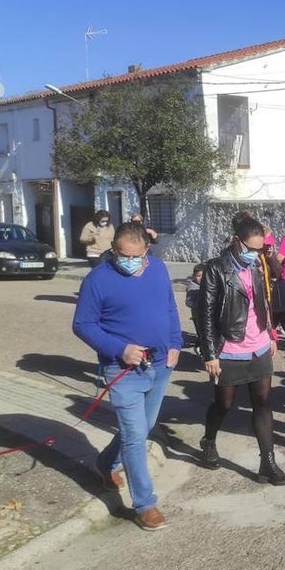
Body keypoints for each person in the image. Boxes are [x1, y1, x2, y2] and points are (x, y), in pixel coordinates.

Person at [72, 222, 182, 531]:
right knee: (135, 435)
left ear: (147, 250)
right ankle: (145, 504)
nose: (129, 261)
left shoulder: (158, 269)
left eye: (136, 256)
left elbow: (169, 308)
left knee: (144, 426)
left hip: (160, 364)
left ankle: (106, 462)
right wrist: (120, 349)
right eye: (122, 255)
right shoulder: (97, 280)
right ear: (113, 250)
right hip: (122, 369)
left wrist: (175, 343)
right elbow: (83, 324)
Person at [195, 216, 285, 485]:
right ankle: (209, 440)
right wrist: (210, 353)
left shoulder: (257, 265)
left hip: (258, 345)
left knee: (263, 402)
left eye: (260, 249)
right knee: (224, 403)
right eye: (251, 249)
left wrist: (270, 333)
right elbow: (205, 313)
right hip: (229, 349)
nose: (256, 254)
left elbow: (263, 301)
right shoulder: (216, 269)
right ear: (237, 242)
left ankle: (267, 463)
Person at [186, 263, 206, 344]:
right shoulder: (192, 288)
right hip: (197, 315)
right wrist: (199, 305)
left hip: (207, 315)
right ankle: (200, 345)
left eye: (203, 275)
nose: (201, 278)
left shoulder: (209, 285)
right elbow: (188, 302)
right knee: (201, 332)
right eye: (198, 276)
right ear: (194, 276)